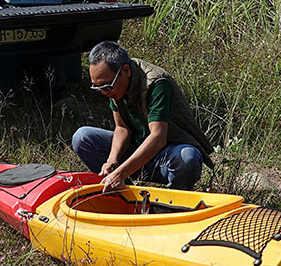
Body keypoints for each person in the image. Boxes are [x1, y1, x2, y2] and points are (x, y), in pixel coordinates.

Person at [72, 41, 214, 192]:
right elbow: (122, 128)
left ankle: (170, 205)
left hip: (166, 156)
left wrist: (120, 173)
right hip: (138, 149)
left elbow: (158, 138)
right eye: (97, 87)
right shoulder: (115, 83)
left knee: (187, 157)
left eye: (106, 86)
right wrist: (112, 161)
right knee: (82, 137)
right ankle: (123, 194)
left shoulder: (156, 83)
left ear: (126, 71)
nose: (104, 92)